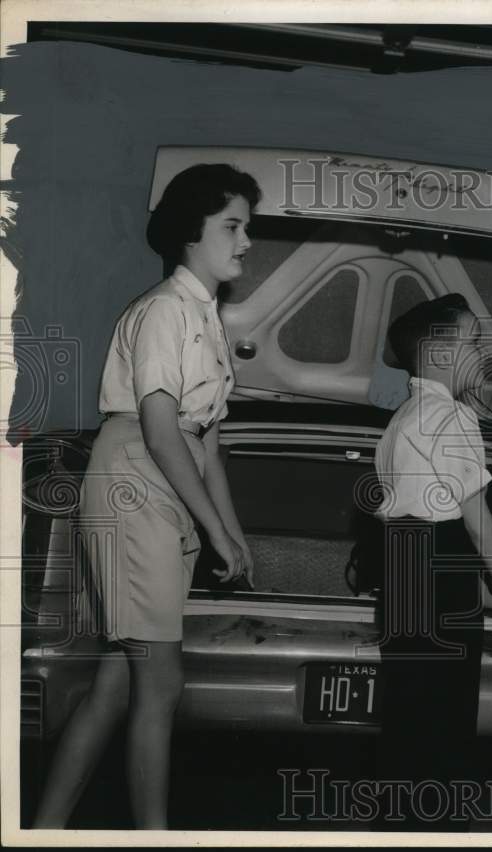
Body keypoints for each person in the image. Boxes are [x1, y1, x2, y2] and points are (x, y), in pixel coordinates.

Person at [33, 163, 260, 829]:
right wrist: (213, 531)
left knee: (121, 674)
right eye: (233, 225)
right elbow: (163, 431)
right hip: (138, 469)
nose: (247, 241)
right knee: (160, 678)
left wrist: (232, 530)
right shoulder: (164, 309)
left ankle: (43, 830)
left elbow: (206, 445)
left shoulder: (206, 318)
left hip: (169, 471)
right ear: (192, 232)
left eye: (248, 226)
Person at [373, 294, 492, 827]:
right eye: (474, 342)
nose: (483, 354)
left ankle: (396, 826)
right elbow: (474, 508)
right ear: (438, 353)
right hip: (441, 573)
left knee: (408, 715)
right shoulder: (452, 416)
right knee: (448, 715)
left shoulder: (400, 420)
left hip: (400, 572)